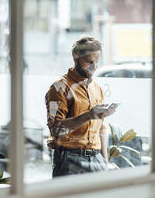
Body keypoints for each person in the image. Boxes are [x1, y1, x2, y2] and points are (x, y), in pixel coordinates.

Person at [45, 36, 116, 177]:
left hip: (97, 160)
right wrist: (89, 115)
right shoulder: (59, 87)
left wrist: (104, 161)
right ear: (75, 58)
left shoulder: (97, 88)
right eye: (89, 62)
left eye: (97, 62)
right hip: (69, 161)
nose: (94, 67)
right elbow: (56, 129)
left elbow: (101, 127)